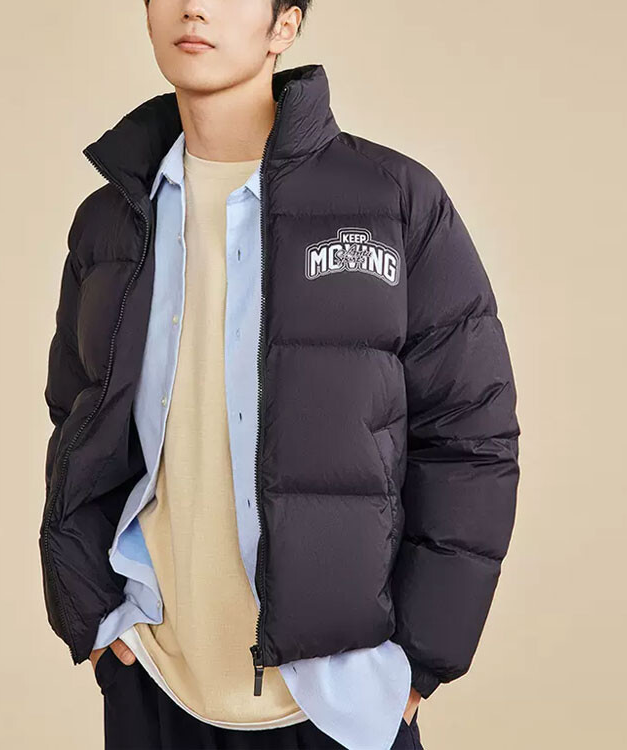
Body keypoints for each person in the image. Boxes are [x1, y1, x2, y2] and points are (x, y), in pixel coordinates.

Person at [39, 1, 521, 748]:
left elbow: (471, 435)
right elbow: (76, 421)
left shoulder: (393, 203)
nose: (194, 7)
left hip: (338, 703)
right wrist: (96, 615)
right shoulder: (110, 220)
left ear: (285, 26)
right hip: (157, 682)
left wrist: (420, 662)